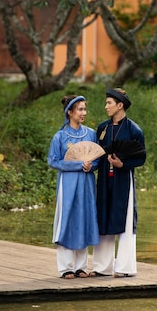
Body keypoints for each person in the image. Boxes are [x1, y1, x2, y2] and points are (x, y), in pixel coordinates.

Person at [91, 88, 146, 278]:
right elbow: (96, 153)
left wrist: (123, 164)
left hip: (123, 179)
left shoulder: (134, 130)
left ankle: (125, 267)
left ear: (120, 105)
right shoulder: (102, 129)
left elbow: (141, 158)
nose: (105, 106)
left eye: (109, 103)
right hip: (105, 178)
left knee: (125, 218)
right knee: (103, 217)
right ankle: (101, 267)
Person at [48, 94, 100, 279]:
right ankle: (65, 267)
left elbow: (97, 160)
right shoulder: (60, 136)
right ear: (69, 112)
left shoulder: (91, 134)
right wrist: (77, 164)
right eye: (80, 109)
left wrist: (90, 166)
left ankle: (81, 266)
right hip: (68, 183)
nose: (83, 113)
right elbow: (53, 161)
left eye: (85, 109)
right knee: (67, 219)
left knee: (84, 218)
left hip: (86, 183)